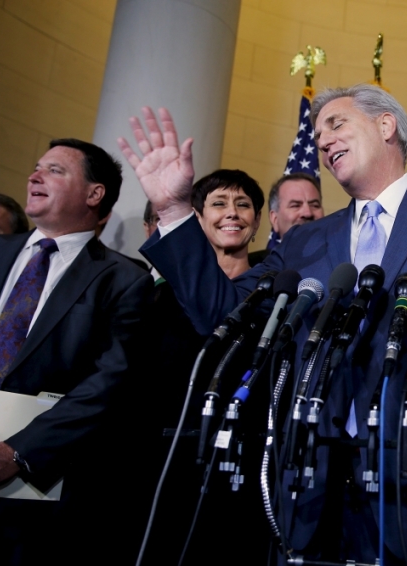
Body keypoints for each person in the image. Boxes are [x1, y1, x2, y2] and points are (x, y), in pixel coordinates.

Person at [119, 88, 407, 565]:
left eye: (336, 124)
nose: (322, 140)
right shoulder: (304, 240)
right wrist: (174, 210)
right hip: (313, 490)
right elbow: (223, 310)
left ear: (385, 126)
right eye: (317, 134)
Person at [0, 139, 153, 565]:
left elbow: (109, 385)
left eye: (54, 170)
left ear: (94, 194)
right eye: (36, 167)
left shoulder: (124, 280)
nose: (35, 176)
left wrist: (16, 453)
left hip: (30, 497)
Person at [130, 168, 269, 564]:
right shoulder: (157, 296)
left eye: (244, 205)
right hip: (162, 463)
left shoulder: (274, 289)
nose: (233, 213)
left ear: (258, 221)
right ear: (197, 218)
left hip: (236, 465)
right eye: (219, 203)